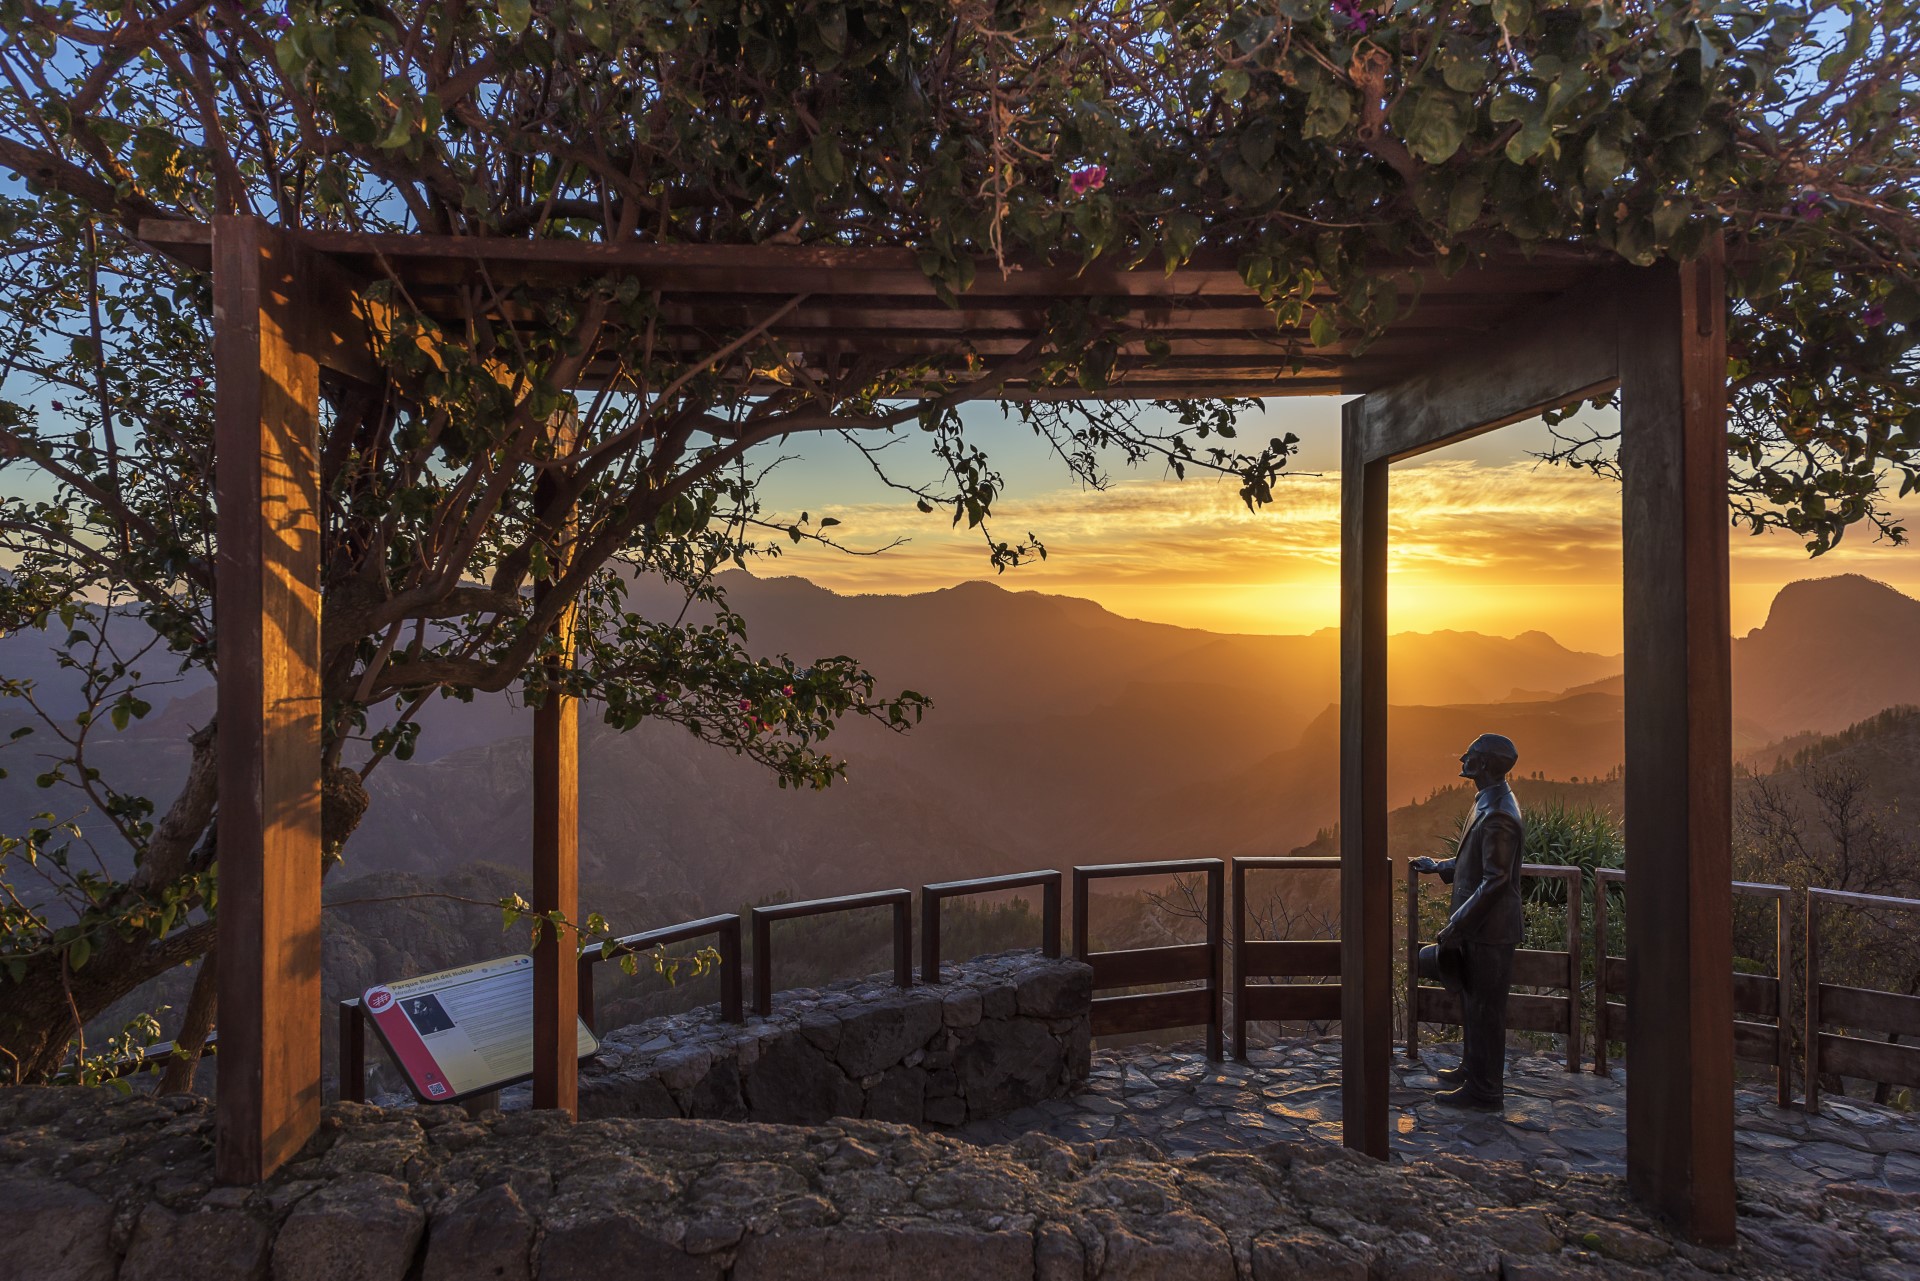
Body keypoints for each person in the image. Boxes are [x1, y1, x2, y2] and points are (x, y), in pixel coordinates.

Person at [1410, 732, 1525, 1109]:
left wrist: (1457, 924)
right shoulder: (1489, 803)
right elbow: (1474, 863)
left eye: (1471, 755)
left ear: (1486, 764)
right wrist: (1440, 867)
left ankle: (1485, 1090)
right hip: (1480, 927)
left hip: (1489, 930)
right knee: (1474, 1004)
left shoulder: (1499, 816)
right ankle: (1472, 1070)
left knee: (1487, 1010)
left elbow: (1495, 881)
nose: (1463, 758)